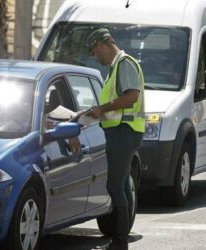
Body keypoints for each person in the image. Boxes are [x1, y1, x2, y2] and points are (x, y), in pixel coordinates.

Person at [85, 28, 145, 249]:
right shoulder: (117, 66)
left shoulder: (124, 63)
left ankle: (119, 242)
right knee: (121, 186)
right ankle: (121, 239)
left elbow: (131, 96)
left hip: (124, 132)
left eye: (94, 51)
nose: (94, 57)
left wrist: (102, 109)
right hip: (122, 132)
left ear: (101, 45)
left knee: (114, 186)